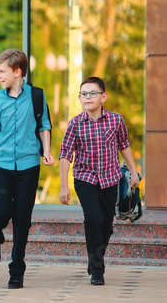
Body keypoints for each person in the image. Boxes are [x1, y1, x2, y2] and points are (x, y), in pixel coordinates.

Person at [0, 49, 54, 289]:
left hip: (29, 165)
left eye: (1, 71)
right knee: (2, 211)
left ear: (17, 72)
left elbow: (44, 124)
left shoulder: (36, 95)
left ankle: (17, 271)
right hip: (2, 164)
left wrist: (47, 150)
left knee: (23, 218)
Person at [59, 76, 140, 286]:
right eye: (84, 93)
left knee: (107, 224)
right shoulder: (75, 124)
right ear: (79, 97)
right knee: (93, 218)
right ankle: (97, 269)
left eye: (93, 93)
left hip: (110, 178)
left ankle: (96, 257)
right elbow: (66, 154)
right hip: (84, 178)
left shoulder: (116, 120)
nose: (88, 97)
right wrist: (63, 186)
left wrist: (133, 171)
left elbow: (124, 145)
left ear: (103, 97)